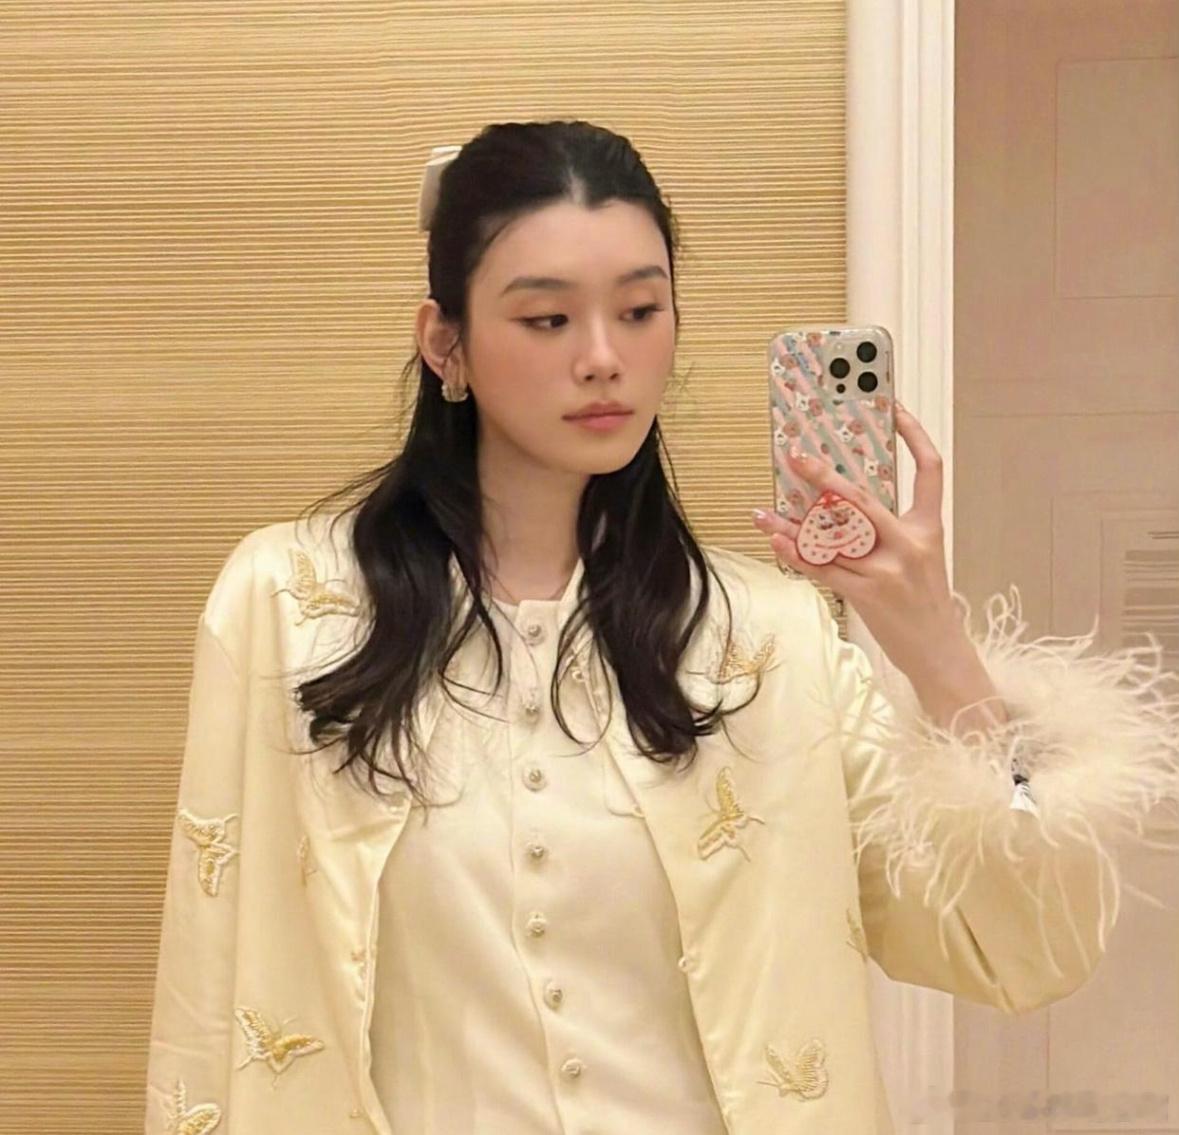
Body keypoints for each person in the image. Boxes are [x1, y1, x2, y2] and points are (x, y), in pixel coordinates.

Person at [144, 120, 1179, 1135]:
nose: (604, 357)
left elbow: (1025, 951)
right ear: (444, 342)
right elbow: (210, 998)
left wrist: (932, 643)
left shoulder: (768, 641)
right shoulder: (288, 605)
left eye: (639, 311)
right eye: (547, 319)